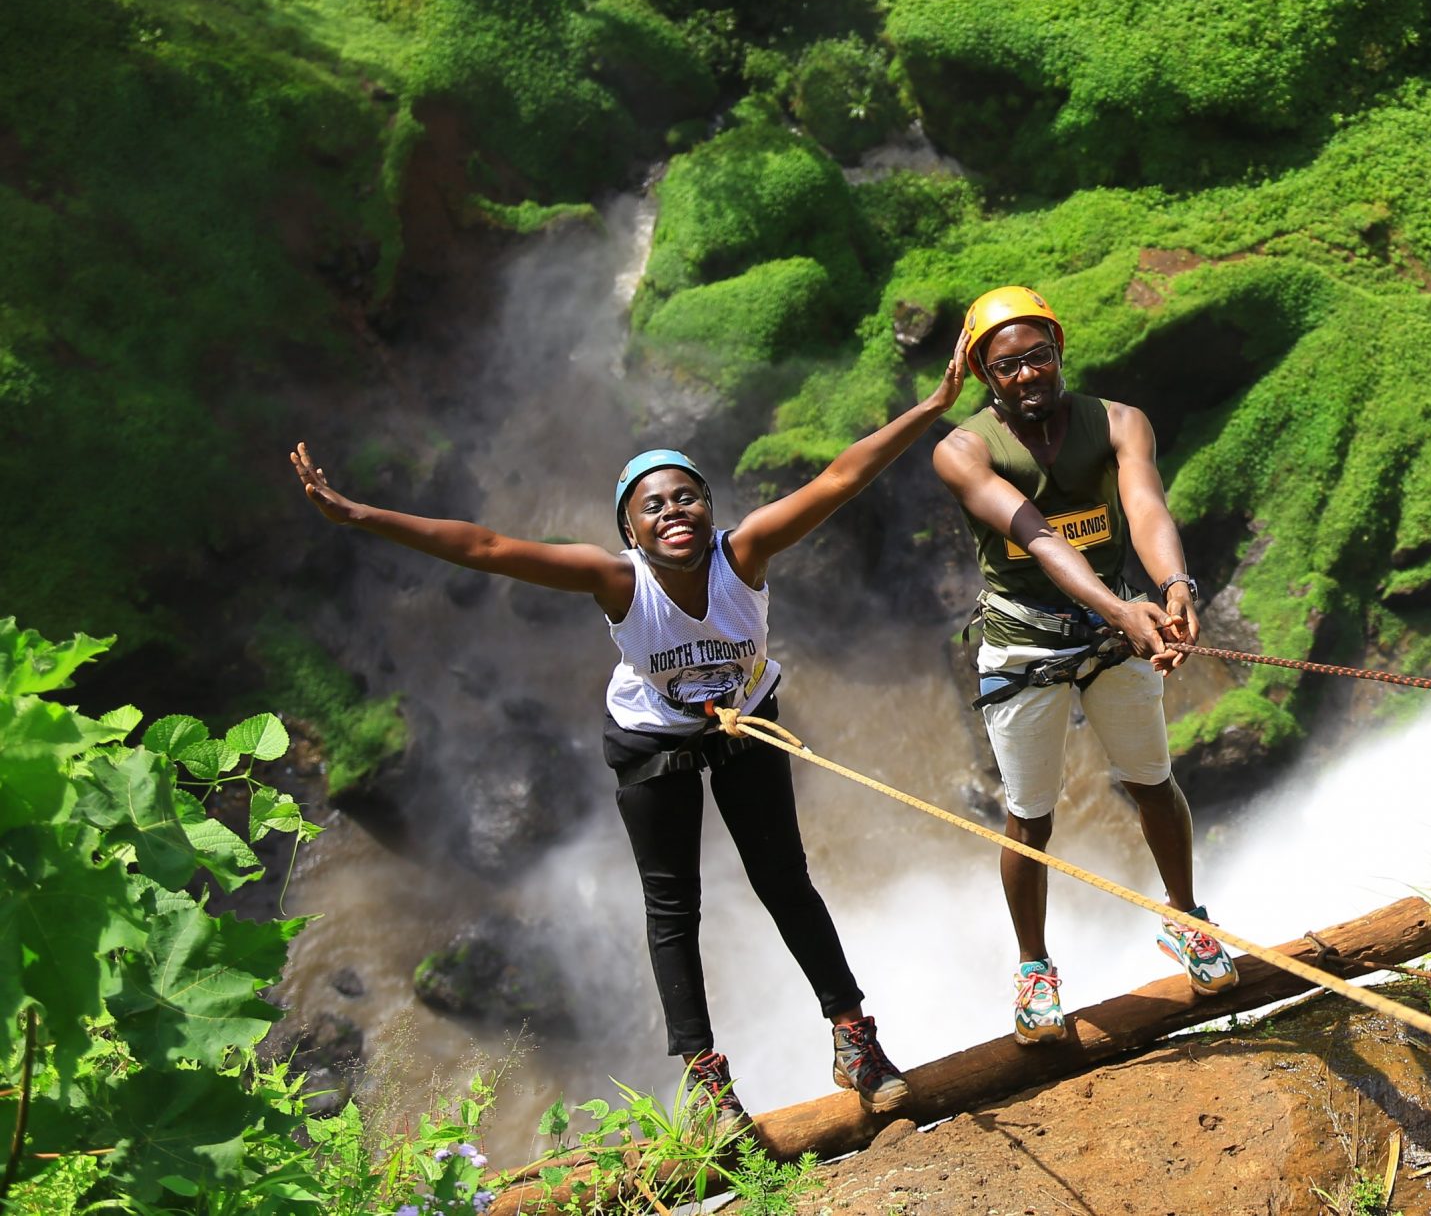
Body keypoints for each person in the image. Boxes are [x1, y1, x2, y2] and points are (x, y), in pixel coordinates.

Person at [286, 336, 967, 1137]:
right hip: (654, 742)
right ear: (631, 533)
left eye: (687, 497)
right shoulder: (616, 582)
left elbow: (840, 479)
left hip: (746, 723)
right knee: (673, 906)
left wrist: (929, 407)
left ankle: (856, 1041)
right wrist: (358, 513)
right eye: (653, 505)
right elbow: (487, 547)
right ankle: (708, 1083)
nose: (673, 511)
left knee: (785, 880)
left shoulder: (743, 556)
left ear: (710, 510)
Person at [930, 285, 1239, 1045]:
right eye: (1007, 366)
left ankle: (1187, 920)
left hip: (1115, 629)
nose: (1028, 374)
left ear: (1059, 351)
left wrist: (1172, 587)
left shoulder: (1119, 422)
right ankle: (1034, 967)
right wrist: (1121, 610)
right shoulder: (962, 451)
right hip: (1026, 642)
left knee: (1153, 782)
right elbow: (1036, 535)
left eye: (1039, 356)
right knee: (1029, 816)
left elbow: (1145, 507)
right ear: (983, 376)